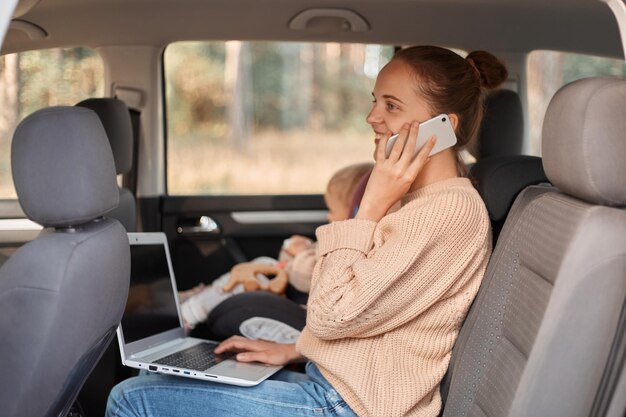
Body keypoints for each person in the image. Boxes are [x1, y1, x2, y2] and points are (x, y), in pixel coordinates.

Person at [106, 45, 506, 417]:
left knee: (129, 399)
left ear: (444, 126)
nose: (372, 117)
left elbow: (332, 313)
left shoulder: (446, 212)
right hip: (339, 385)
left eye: (392, 105)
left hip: (352, 406)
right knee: (154, 377)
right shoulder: (419, 202)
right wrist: (294, 350)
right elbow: (378, 315)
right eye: (374, 101)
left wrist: (369, 205)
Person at [180, 162, 374, 332]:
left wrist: (298, 253)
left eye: (331, 210)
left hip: (311, 304)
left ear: (354, 211)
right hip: (298, 291)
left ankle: (188, 313)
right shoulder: (340, 238)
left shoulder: (346, 242)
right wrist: (296, 248)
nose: (328, 217)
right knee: (260, 266)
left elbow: (310, 274)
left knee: (252, 275)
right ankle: (202, 296)